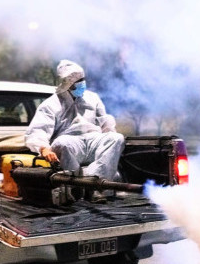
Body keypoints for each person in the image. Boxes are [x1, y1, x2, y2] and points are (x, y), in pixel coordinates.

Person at [25, 59, 125, 201]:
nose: (82, 84)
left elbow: (106, 123)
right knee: (61, 143)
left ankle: (95, 186)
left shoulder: (93, 98)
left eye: (82, 79)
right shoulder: (50, 105)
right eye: (77, 81)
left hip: (93, 141)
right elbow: (37, 131)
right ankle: (75, 186)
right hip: (71, 143)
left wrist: (112, 144)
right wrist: (44, 149)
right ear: (67, 84)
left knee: (116, 138)